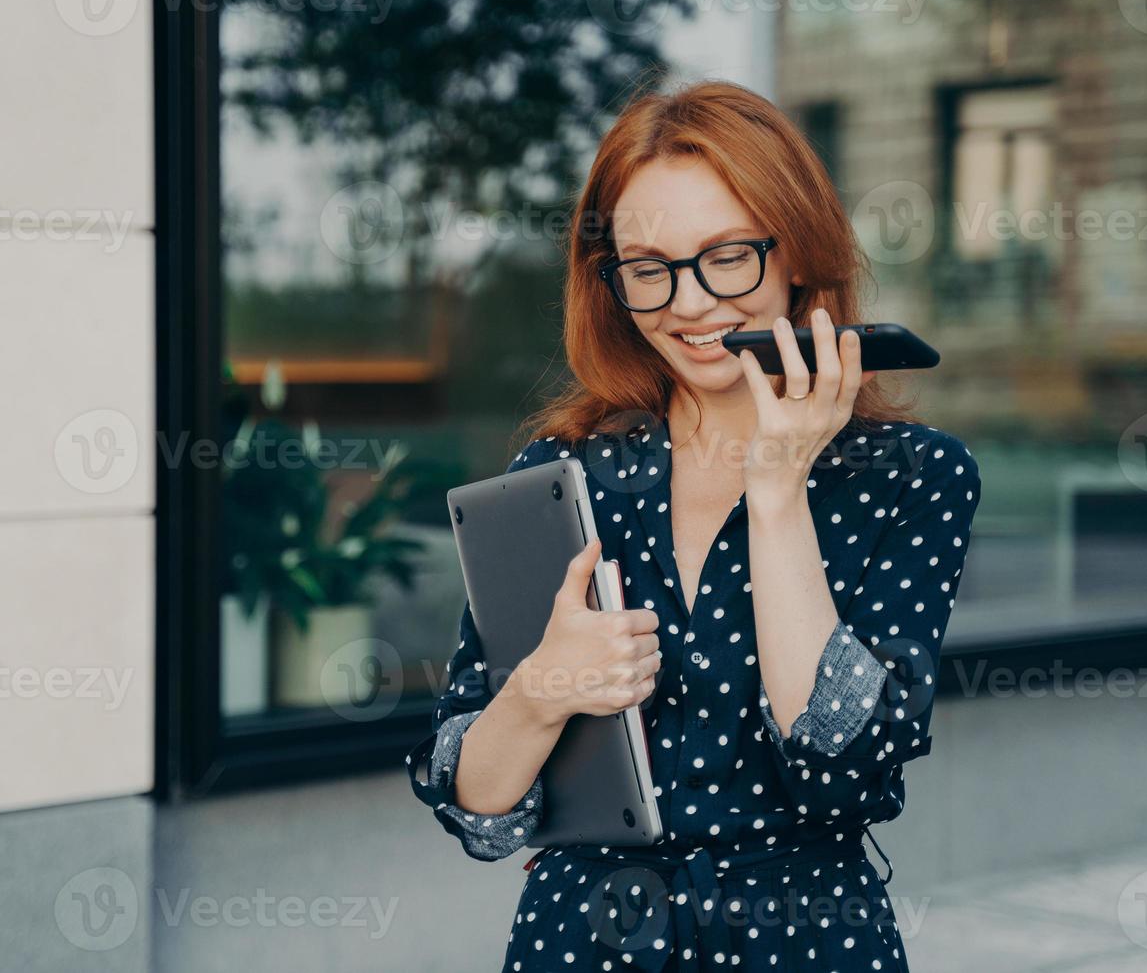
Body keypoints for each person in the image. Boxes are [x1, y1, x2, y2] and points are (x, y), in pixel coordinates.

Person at [406, 79, 981, 972]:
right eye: (649, 268)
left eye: (728, 256)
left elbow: (843, 771)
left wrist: (780, 488)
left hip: (805, 939)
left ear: (798, 252)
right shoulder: (560, 482)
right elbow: (479, 813)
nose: (691, 302)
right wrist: (542, 688)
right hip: (583, 939)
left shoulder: (911, 477)